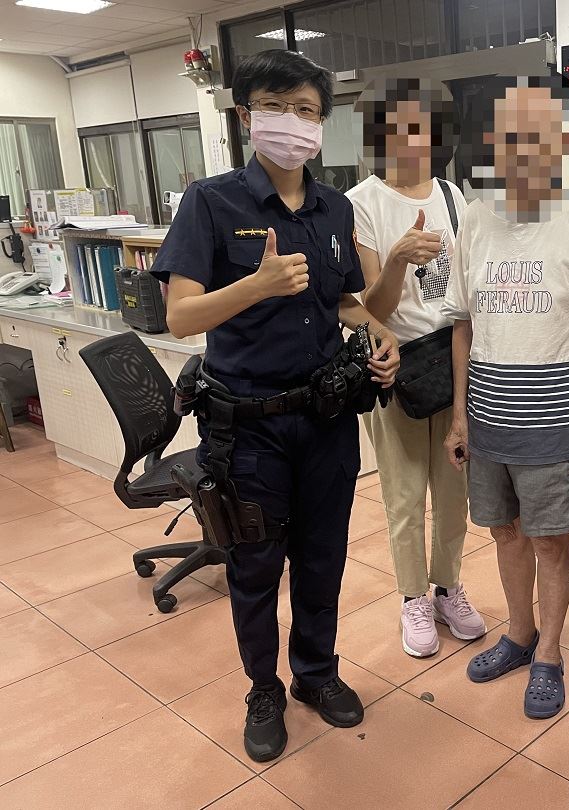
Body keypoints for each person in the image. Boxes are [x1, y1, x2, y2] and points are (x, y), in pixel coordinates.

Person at [152, 49, 400, 764]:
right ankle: (263, 689)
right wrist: (255, 287)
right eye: (277, 106)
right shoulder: (211, 202)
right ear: (245, 115)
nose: (293, 122)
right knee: (256, 566)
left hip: (326, 420)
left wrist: (377, 335)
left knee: (323, 559)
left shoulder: (334, 208)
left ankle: (315, 674)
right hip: (248, 430)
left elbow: (343, 300)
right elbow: (180, 316)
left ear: (321, 124)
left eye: (307, 110)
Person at [442, 75, 569, 719]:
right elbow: (463, 325)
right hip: (487, 416)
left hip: (556, 419)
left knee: (549, 539)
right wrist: (459, 416)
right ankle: (518, 635)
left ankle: (548, 653)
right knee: (504, 532)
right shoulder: (475, 217)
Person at [346, 78, 486, 658]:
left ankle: (448, 586)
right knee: (404, 496)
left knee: (454, 492)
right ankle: (413, 598)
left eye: (422, 124)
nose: (411, 136)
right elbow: (367, 309)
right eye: (396, 124)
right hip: (394, 368)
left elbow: (470, 287)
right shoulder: (360, 202)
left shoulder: (454, 197)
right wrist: (398, 260)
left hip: (453, 364)